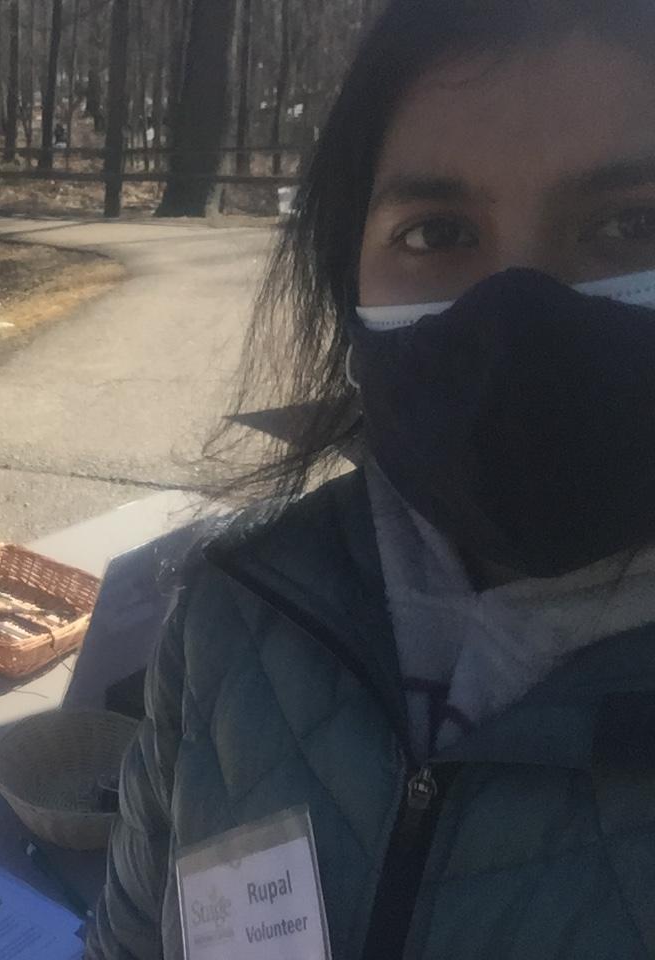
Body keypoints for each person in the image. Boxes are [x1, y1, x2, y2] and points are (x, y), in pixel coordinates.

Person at [88, 0, 655, 957]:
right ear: (346, 276)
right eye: (436, 233)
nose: (514, 314)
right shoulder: (235, 610)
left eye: (631, 222)